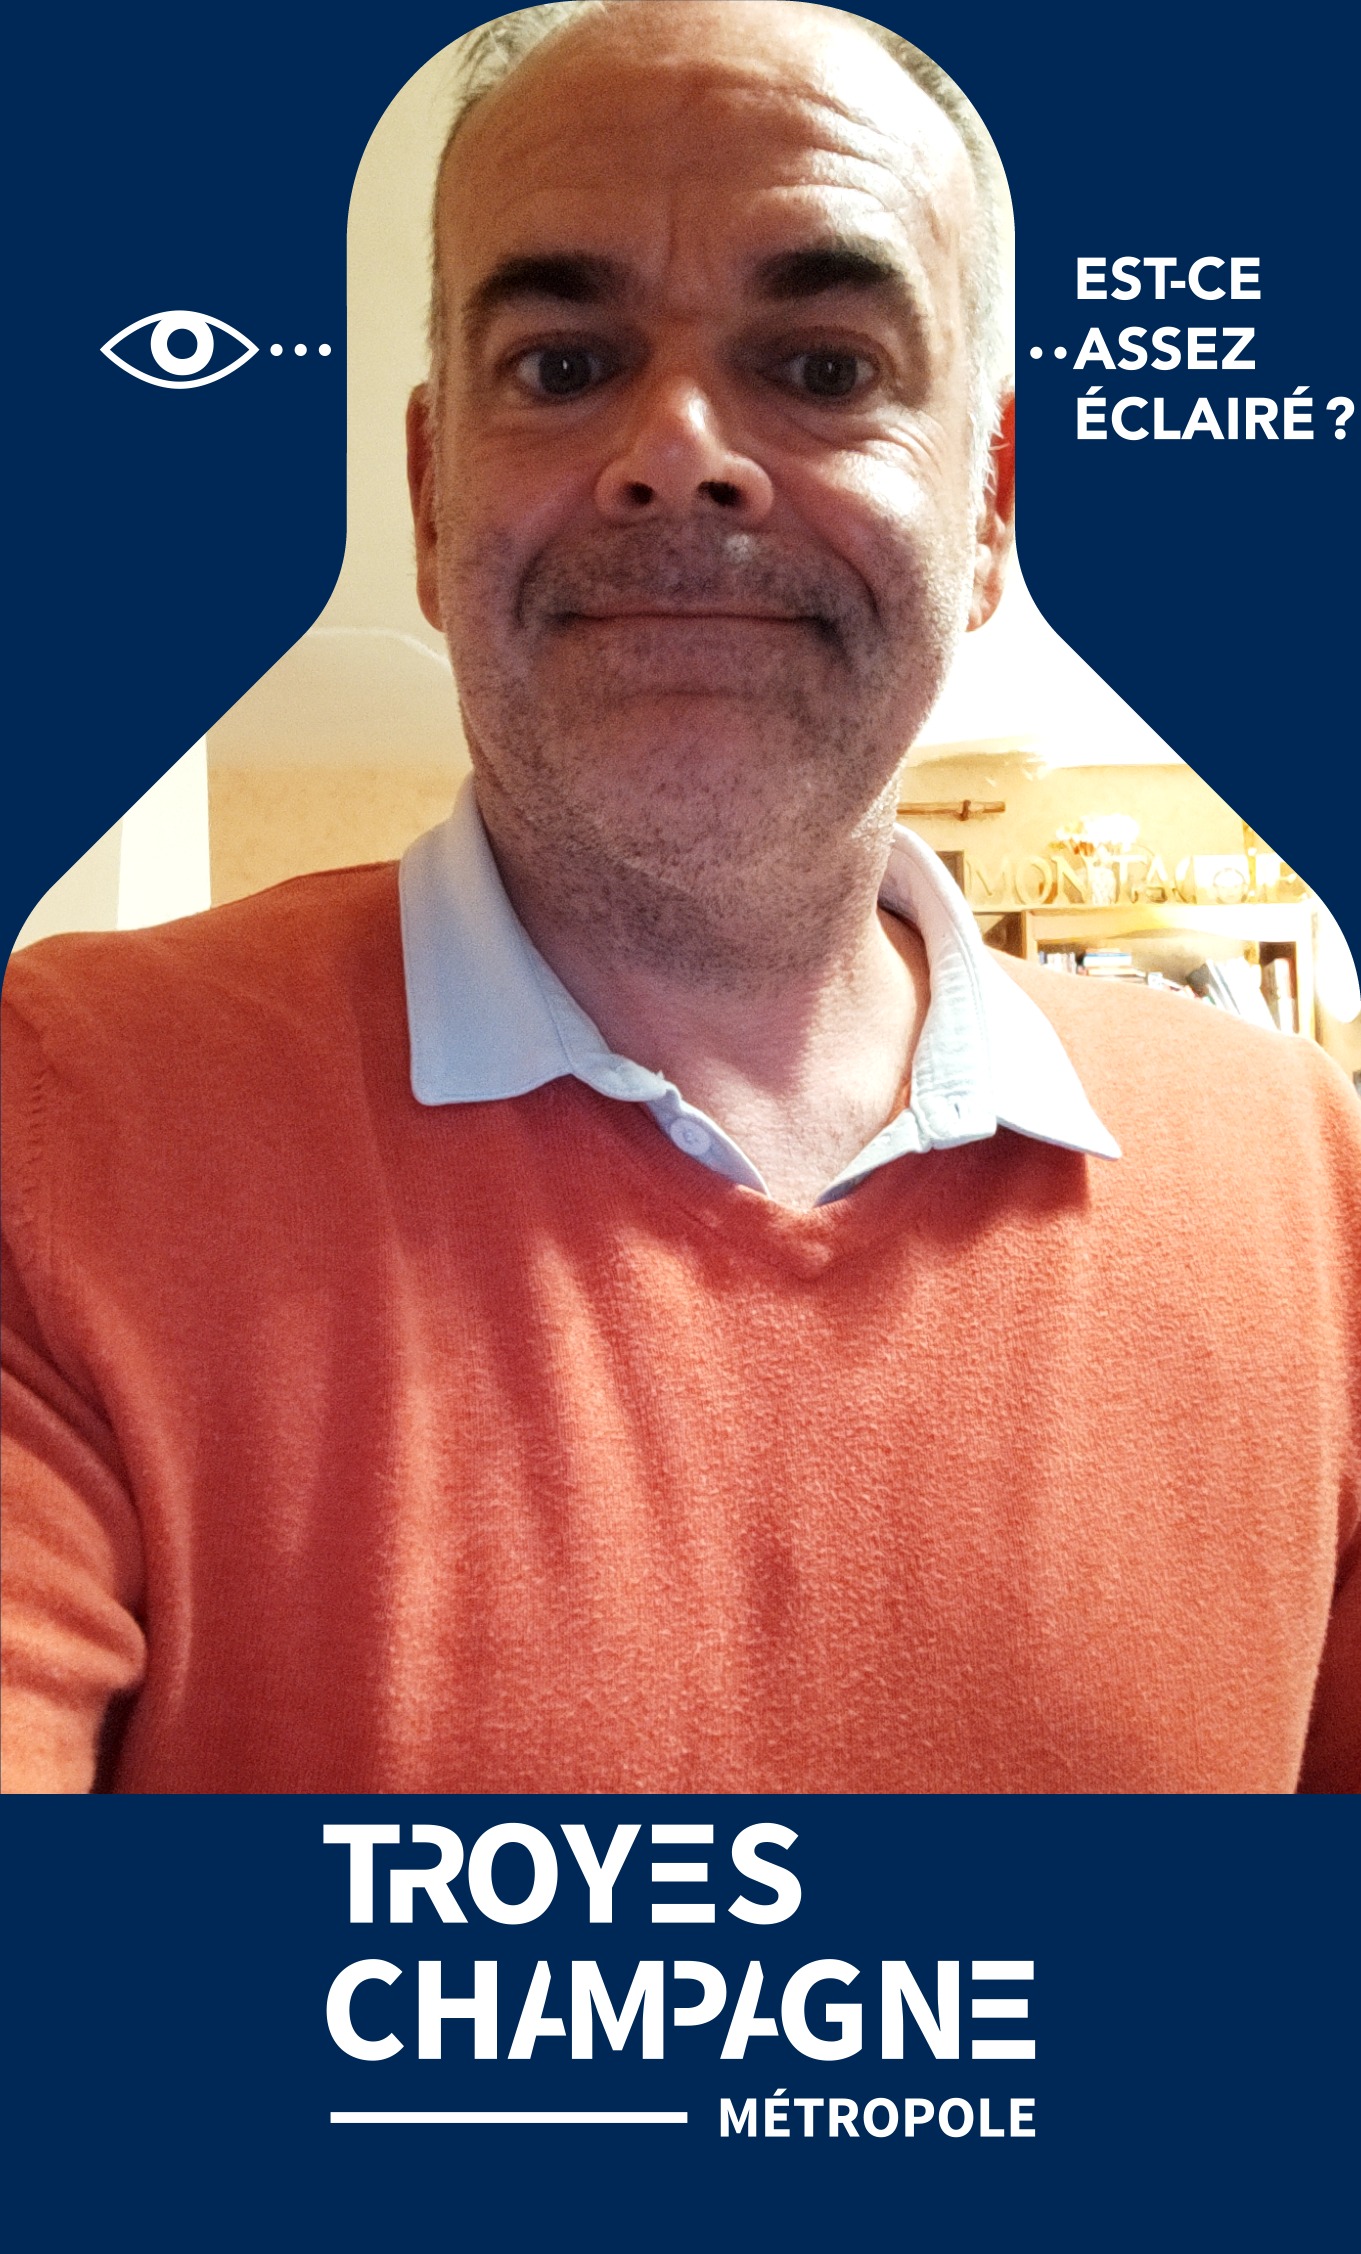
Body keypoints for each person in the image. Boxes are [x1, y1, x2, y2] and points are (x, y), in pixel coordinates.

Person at [2, 0, 1357, 1795]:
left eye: (825, 367)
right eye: (563, 363)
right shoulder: (63, 1111)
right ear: (428, 498)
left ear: (987, 507)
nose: (678, 449)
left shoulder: (1308, 1178)